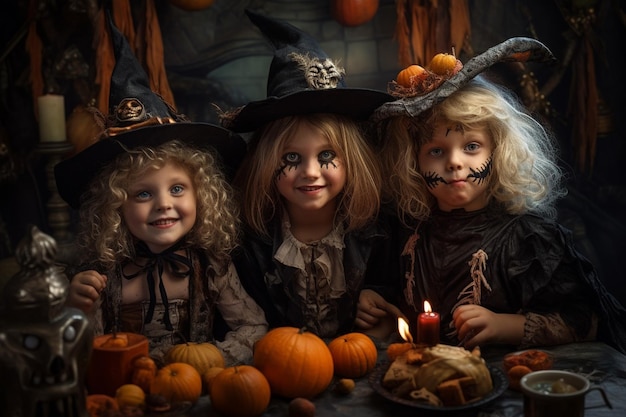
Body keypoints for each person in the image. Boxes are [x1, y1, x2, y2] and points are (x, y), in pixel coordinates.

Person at [371, 37, 626, 353]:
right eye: (435, 151)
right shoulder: (408, 230)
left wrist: (504, 326)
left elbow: (584, 320)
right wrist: (388, 317)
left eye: (472, 147)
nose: (454, 162)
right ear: (412, 162)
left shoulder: (528, 237)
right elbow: (403, 309)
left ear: (500, 151)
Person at [54, 17, 267, 365]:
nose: (163, 205)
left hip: (195, 387)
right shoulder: (104, 275)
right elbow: (76, 355)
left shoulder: (212, 267)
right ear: (114, 206)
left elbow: (254, 328)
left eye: (178, 188)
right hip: (127, 396)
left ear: (203, 194)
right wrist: (75, 308)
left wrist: (210, 359)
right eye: (142, 194)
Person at [221, 10, 401, 339]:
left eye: (326, 155)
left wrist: (382, 308)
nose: (310, 172)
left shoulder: (381, 231)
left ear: (351, 160)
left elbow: (398, 294)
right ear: (265, 162)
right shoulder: (250, 243)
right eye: (291, 157)